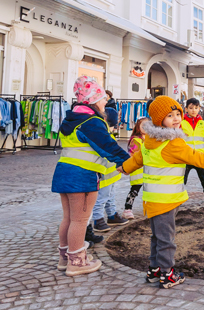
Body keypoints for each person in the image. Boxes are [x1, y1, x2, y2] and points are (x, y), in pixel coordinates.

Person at [120, 96, 204, 289]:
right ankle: (167, 274)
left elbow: (137, 159)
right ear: (159, 119)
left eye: (178, 114)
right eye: (170, 115)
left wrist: (124, 168)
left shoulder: (150, 140)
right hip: (166, 200)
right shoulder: (172, 143)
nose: (176, 119)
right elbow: (198, 158)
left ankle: (154, 270)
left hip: (152, 199)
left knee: (157, 236)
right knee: (166, 238)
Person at [52, 76, 130, 276]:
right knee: (80, 220)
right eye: (103, 98)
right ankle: (77, 262)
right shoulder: (92, 121)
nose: (106, 102)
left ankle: (65, 258)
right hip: (82, 178)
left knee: (69, 218)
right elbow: (107, 146)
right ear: (94, 99)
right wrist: (128, 162)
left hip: (63, 173)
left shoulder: (70, 119)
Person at [92, 107, 130, 232]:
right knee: (102, 197)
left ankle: (112, 215)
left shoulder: (106, 135)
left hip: (111, 174)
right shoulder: (102, 136)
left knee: (109, 195)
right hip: (104, 174)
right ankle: (98, 219)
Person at [123, 116, 148, 219]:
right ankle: (127, 209)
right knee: (134, 191)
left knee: (149, 190)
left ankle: (149, 207)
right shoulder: (136, 140)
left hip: (148, 170)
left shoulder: (150, 139)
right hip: (138, 170)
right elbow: (135, 155)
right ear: (138, 127)